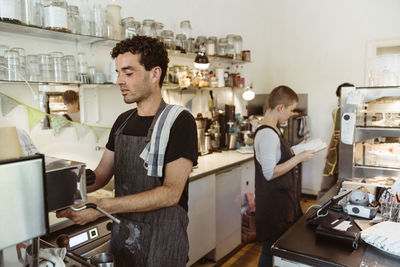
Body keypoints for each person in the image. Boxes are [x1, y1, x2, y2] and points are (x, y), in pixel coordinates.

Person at [57, 36, 198, 266]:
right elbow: (101, 175)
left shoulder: (179, 121)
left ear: (155, 74)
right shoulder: (122, 122)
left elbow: (171, 192)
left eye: (128, 73)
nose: (119, 81)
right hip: (125, 238)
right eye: (118, 73)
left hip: (164, 243)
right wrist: (61, 190)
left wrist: (102, 206)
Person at [254, 85, 315, 267]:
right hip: (274, 205)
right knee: (270, 249)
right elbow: (270, 172)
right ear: (280, 108)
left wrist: (297, 150)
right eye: (290, 110)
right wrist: (298, 158)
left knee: (275, 248)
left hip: (282, 200)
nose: (291, 113)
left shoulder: (274, 129)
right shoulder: (267, 134)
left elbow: (278, 156)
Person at [320, 82, 354, 198]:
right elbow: (334, 133)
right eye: (340, 96)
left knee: (344, 187)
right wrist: (329, 151)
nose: (342, 99)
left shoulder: (358, 112)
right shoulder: (335, 112)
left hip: (349, 154)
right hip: (335, 153)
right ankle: (318, 212)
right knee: (326, 186)